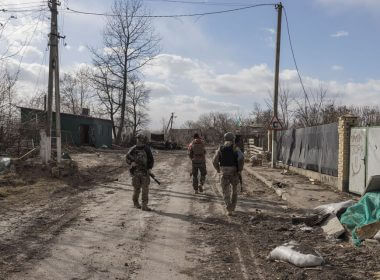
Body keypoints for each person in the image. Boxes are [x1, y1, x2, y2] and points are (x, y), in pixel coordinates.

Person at [212, 132, 244, 216]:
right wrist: (240, 169)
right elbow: (241, 158)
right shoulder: (236, 148)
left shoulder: (220, 148)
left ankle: (228, 208)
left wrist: (218, 169)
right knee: (234, 190)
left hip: (224, 171)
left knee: (225, 191)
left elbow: (214, 161)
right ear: (233, 139)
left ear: (225, 139)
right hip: (234, 172)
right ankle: (232, 208)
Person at [126, 133, 154, 211]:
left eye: (140, 139)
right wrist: (131, 163)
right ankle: (136, 203)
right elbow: (127, 158)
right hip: (135, 173)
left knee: (145, 189)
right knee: (136, 189)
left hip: (145, 172)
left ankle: (144, 205)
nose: (138, 140)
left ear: (142, 140)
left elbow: (151, 160)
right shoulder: (133, 149)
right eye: (138, 139)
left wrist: (149, 168)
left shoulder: (147, 149)